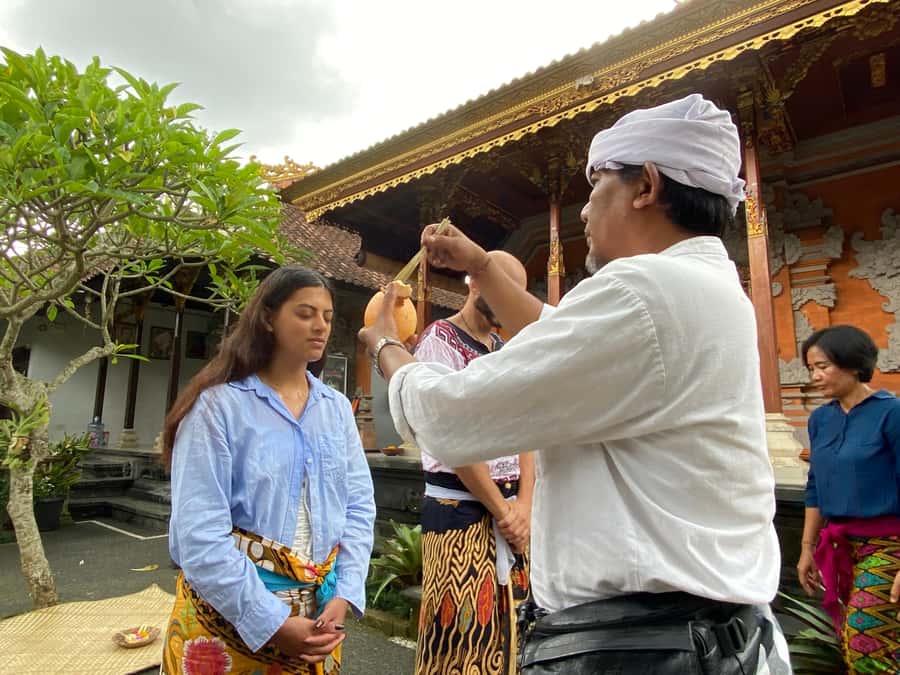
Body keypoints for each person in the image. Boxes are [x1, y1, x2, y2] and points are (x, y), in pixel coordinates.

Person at [360, 94, 791, 673]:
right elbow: (561, 334)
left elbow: (450, 416)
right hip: (703, 633)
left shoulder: (642, 291)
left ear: (646, 186)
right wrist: (483, 265)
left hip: (645, 648)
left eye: (596, 188)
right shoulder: (704, 287)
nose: (584, 211)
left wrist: (387, 345)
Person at [160, 265, 375, 675]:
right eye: (305, 313)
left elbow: (359, 506)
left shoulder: (335, 409)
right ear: (268, 318)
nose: (320, 326)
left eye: (328, 317)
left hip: (318, 621)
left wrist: (344, 594)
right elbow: (198, 534)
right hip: (227, 620)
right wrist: (270, 621)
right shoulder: (218, 408)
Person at [412, 249, 534, 675]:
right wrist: (504, 511)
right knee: (462, 639)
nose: (507, 294)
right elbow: (451, 436)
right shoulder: (438, 342)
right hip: (460, 511)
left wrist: (525, 506)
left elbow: (528, 431)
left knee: (516, 637)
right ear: (475, 281)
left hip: (513, 516)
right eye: (500, 282)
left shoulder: (506, 351)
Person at [797, 324, 900, 672]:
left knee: (865, 640)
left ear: (854, 364)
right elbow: (815, 485)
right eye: (811, 368)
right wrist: (807, 548)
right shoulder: (820, 419)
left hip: (888, 546)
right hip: (840, 545)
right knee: (862, 645)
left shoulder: (892, 413)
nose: (815, 376)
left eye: (823, 366)